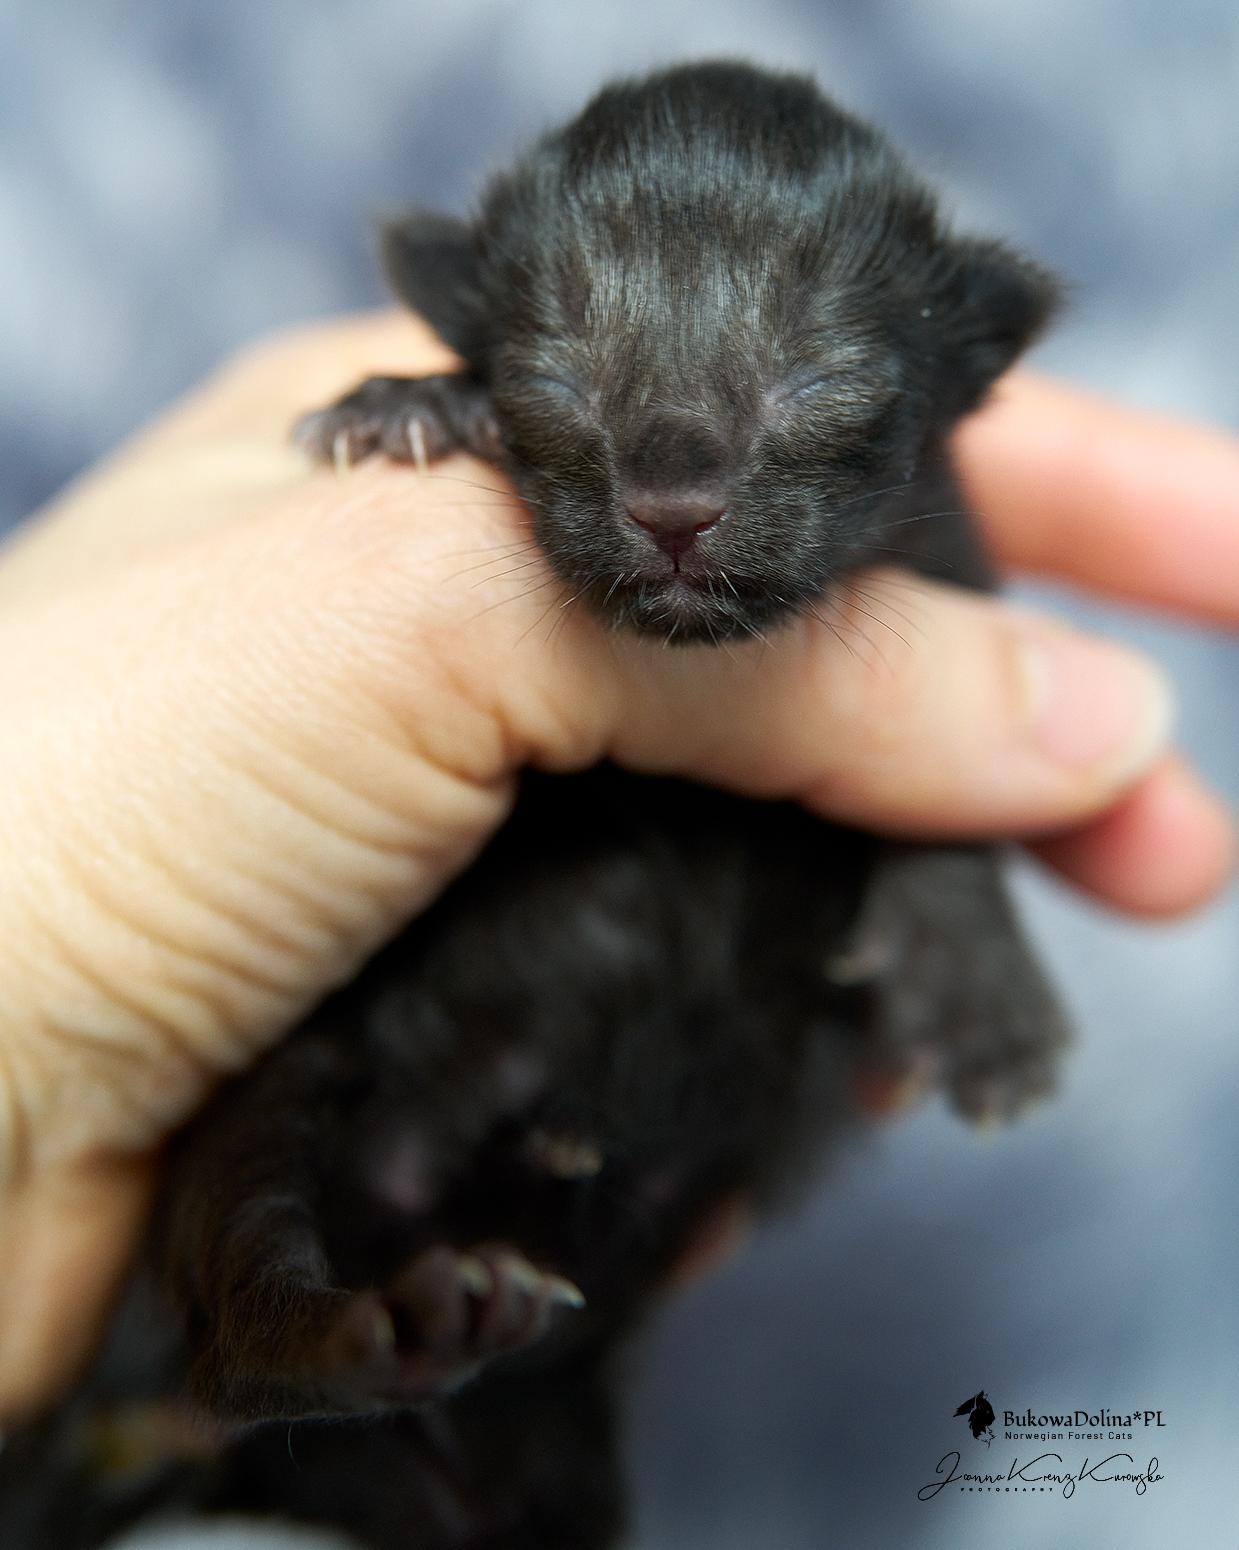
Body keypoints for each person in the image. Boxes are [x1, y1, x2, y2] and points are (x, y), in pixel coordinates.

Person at [0, 310, 1233, 1425]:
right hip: (391, 1138)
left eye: (810, 387)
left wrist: (944, 897)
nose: (680, 481)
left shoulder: (914, 515)